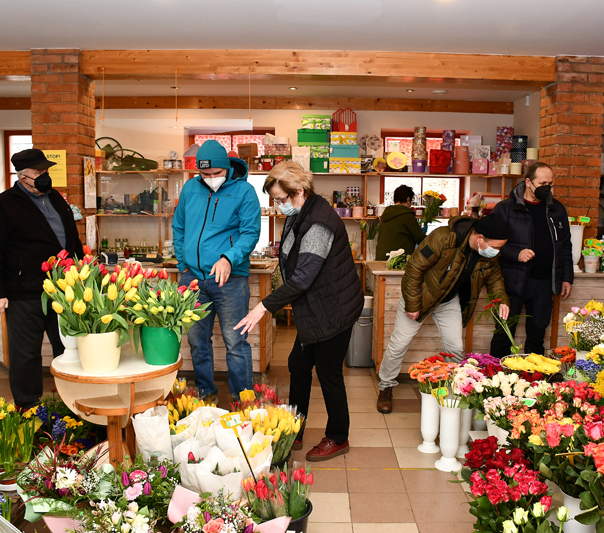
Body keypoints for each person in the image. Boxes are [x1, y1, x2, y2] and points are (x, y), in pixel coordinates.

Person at [235, 161, 363, 462]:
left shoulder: (319, 222)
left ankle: (338, 436)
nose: (279, 206)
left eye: (281, 199)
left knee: (329, 374)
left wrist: (263, 307)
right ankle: (296, 426)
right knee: (298, 365)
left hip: (334, 309)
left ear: (300, 191)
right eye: (275, 200)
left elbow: (303, 277)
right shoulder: (302, 212)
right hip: (316, 307)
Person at [376, 214, 510, 413]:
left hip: (448, 301)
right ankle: (385, 386)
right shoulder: (443, 238)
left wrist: (502, 300)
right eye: (496, 247)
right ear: (480, 238)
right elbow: (414, 268)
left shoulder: (487, 256)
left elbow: (495, 279)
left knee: (455, 347)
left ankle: (454, 389)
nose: (497, 251)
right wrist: (413, 304)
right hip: (421, 296)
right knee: (399, 344)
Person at [0, 148, 82, 409]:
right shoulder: (2, 205)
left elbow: (72, 238)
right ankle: (27, 408)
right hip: (24, 293)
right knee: (25, 354)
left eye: (46, 172)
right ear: (22, 176)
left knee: (70, 349)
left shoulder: (56, 198)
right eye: (39, 173)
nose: (44, 177)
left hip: (64, 291)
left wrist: (82, 270)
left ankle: (74, 403)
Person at [172, 140, 261, 401]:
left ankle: (243, 402)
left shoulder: (244, 192)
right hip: (193, 280)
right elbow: (179, 228)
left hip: (230, 280)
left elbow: (250, 233)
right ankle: (205, 396)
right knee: (198, 343)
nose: (211, 179)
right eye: (205, 174)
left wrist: (228, 258)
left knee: (235, 344)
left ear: (227, 168)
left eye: (216, 174)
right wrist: (183, 264)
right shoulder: (190, 188)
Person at [489, 162, 574, 357]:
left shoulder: (557, 209)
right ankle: (493, 381)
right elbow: (489, 244)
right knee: (504, 333)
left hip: (544, 283)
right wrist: (516, 253)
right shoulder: (505, 209)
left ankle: (533, 381)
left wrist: (566, 277)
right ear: (528, 182)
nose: (547, 188)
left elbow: (565, 245)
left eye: (550, 184)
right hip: (512, 281)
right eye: (542, 183)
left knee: (537, 335)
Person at [375, 185, 427, 261]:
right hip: (396, 261)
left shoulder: (386, 213)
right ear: (408, 199)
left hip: (381, 258)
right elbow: (420, 238)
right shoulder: (407, 215)